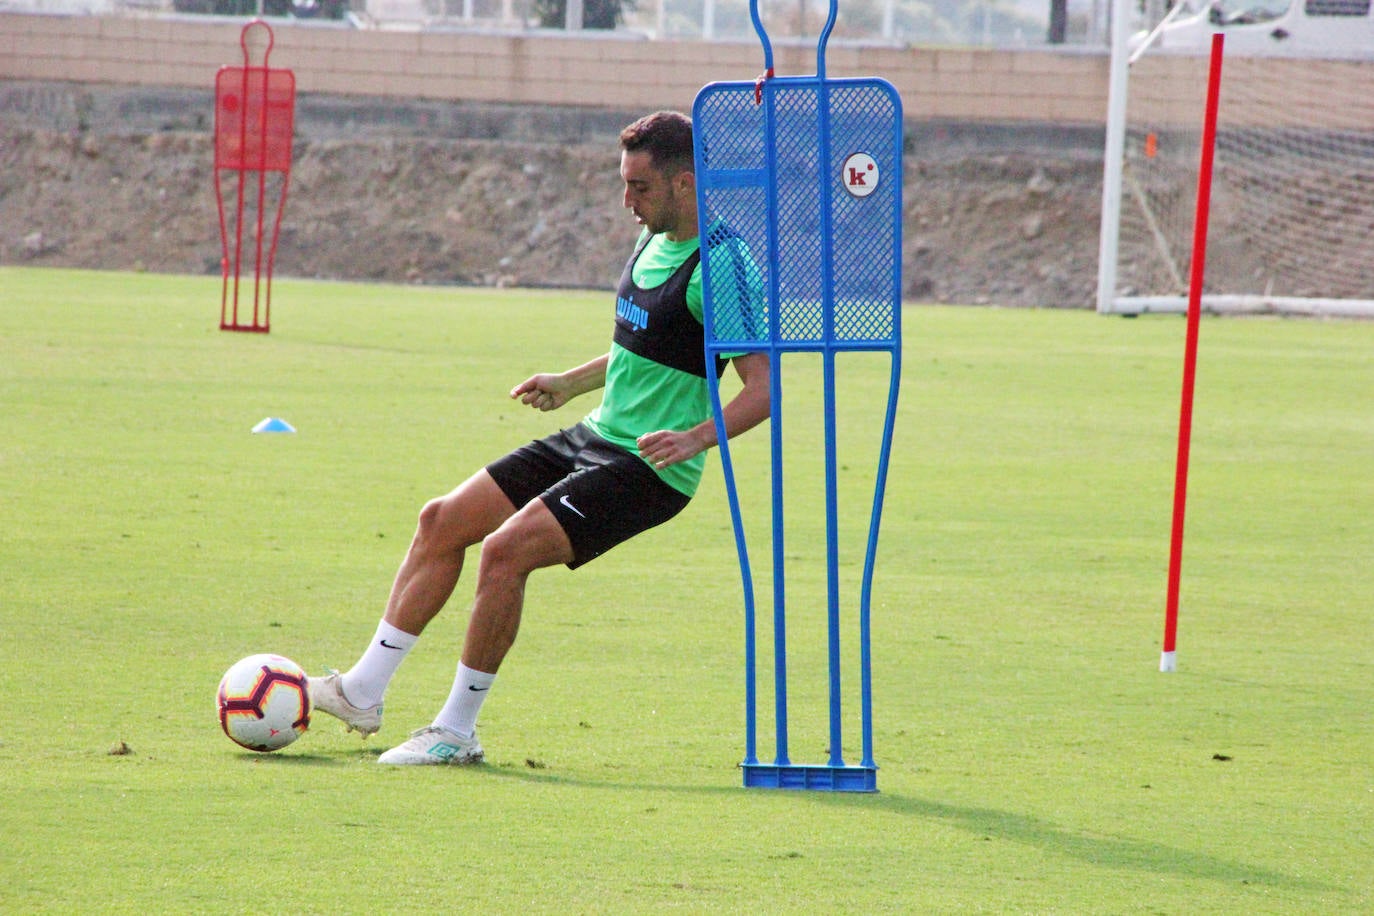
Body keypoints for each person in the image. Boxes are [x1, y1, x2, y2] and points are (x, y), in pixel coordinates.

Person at [308, 110, 771, 765]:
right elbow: (645, 346)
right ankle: (361, 691)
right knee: (442, 520)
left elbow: (763, 389)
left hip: (649, 469)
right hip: (594, 433)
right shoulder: (653, 241)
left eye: (639, 187)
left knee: (504, 552)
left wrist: (696, 438)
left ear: (686, 185)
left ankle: (456, 732)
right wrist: (570, 383)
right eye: (624, 184)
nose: (626, 201)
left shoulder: (722, 265)